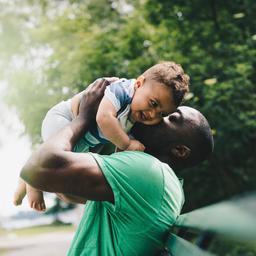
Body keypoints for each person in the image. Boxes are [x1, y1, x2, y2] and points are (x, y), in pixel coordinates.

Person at [20, 78, 213, 255]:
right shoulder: (161, 182)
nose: (156, 116)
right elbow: (66, 191)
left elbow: (38, 169)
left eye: (169, 117)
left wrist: (85, 117)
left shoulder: (147, 171)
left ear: (180, 150)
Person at [14, 61, 190, 212]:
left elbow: (118, 144)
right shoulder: (123, 90)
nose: (152, 114)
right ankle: (33, 185)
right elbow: (104, 118)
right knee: (53, 159)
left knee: (68, 164)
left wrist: (123, 154)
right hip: (65, 119)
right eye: (153, 103)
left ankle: (26, 176)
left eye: (161, 114)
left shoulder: (137, 114)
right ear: (139, 84)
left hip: (83, 138)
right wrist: (127, 144)